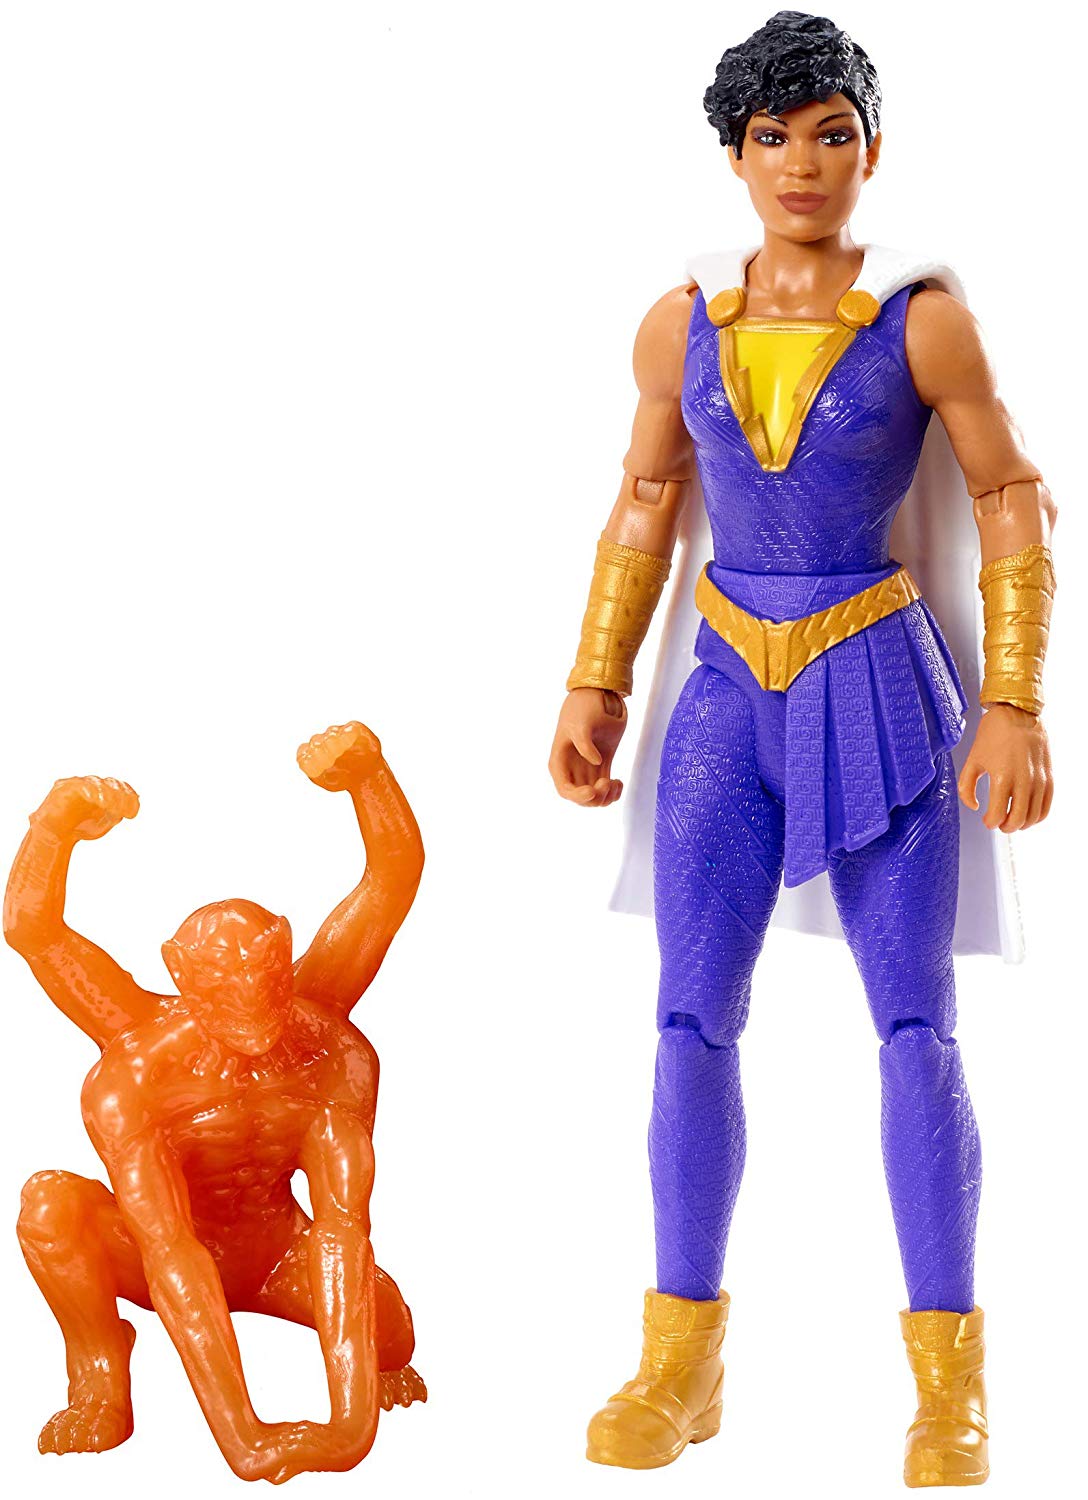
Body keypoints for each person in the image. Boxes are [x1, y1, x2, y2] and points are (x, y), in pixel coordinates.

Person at [548, 11, 1055, 1487]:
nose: (800, 164)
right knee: (688, 1021)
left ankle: (950, 1386)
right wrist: (594, 677)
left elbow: (1009, 497)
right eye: (771, 137)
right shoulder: (681, 321)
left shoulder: (921, 320)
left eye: (829, 134)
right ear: (734, 155)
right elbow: (645, 497)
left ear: (870, 149)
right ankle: (680, 1357)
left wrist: (1014, 700)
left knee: (914, 1031)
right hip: (724, 695)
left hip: (880, 689)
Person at [6, 721, 426, 1483]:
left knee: (393, 1335)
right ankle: (99, 1372)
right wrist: (54, 827)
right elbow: (32, 930)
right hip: (150, 1257)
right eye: (224, 983)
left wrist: (369, 774)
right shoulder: (138, 1060)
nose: (252, 998)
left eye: (266, 974)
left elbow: (391, 878)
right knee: (49, 1209)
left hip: (279, 1257)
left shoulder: (328, 1037)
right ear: (179, 972)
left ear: (285, 954)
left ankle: (376, 1364)